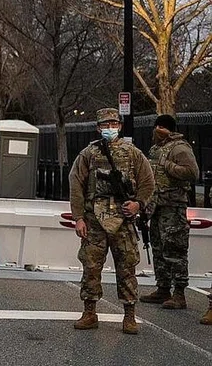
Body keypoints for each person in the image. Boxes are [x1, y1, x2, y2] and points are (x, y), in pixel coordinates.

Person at [69, 108, 154, 335]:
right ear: (98, 127)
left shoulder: (133, 154)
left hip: (123, 221)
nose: (109, 128)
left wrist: (138, 204)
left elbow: (148, 182)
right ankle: (89, 312)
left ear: (120, 125)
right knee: (91, 267)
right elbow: (76, 185)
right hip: (94, 220)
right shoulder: (88, 154)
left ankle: (129, 315)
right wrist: (79, 218)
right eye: (105, 125)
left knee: (127, 268)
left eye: (113, 124)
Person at [139, 114, 199, 311]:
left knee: (175, 249)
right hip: (156, 206)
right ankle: (163, 287)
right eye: (156, 126)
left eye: (161, 127)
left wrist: (168, 165)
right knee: (158, 249)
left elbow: (192, 173)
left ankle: (179, 293)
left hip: (173, 207)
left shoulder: (180, 148)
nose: (157, 130)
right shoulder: (156, 149)